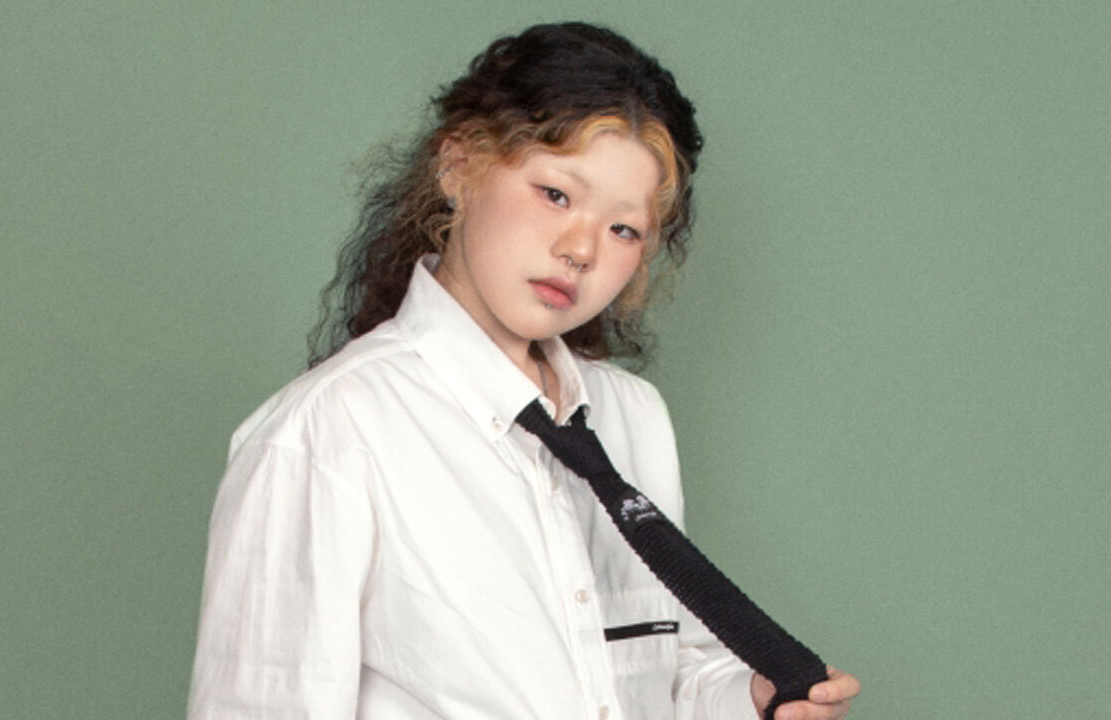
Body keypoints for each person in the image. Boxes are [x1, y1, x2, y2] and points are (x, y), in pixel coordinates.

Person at [187, 21, 860, 720]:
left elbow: (658, 671)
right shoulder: (326, 432)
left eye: (623, 229)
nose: (581, 249)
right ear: (458, 166)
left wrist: (744, 701)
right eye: (556, 194)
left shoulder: (632, 417)